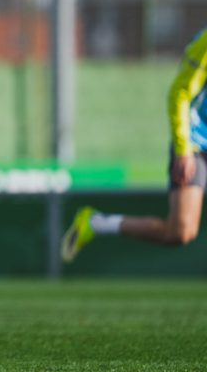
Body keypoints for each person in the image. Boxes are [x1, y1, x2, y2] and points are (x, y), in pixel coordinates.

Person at [62, 26, 207, 262]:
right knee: (180, 232)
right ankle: (96, 223)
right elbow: (180, 92)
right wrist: (183, 150)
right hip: (196, 141)